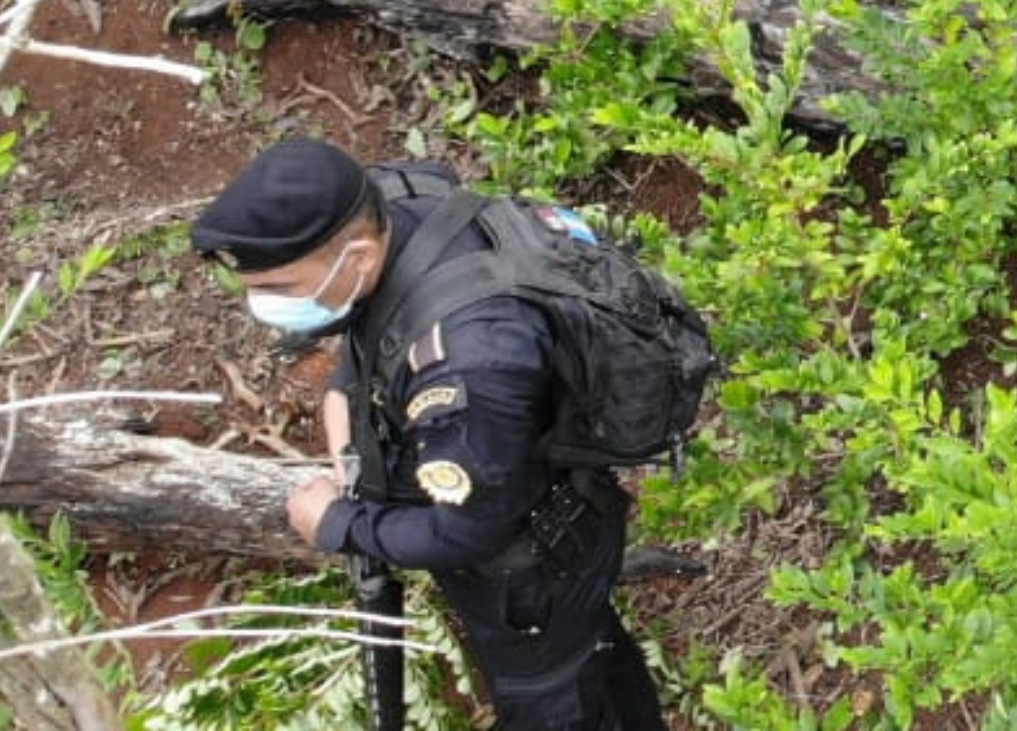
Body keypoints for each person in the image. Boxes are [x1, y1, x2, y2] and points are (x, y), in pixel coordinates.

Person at [191, 138, 667, 729]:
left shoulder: (473, 364)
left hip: (532, 569)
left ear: (358, 257)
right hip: (535, 487)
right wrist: (346, 396)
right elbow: (386, 317)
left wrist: (338, 524)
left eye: (280, 288)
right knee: (589, 660)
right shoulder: (400, 203)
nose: (261, 304)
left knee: (549, 694)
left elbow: (468, 533)